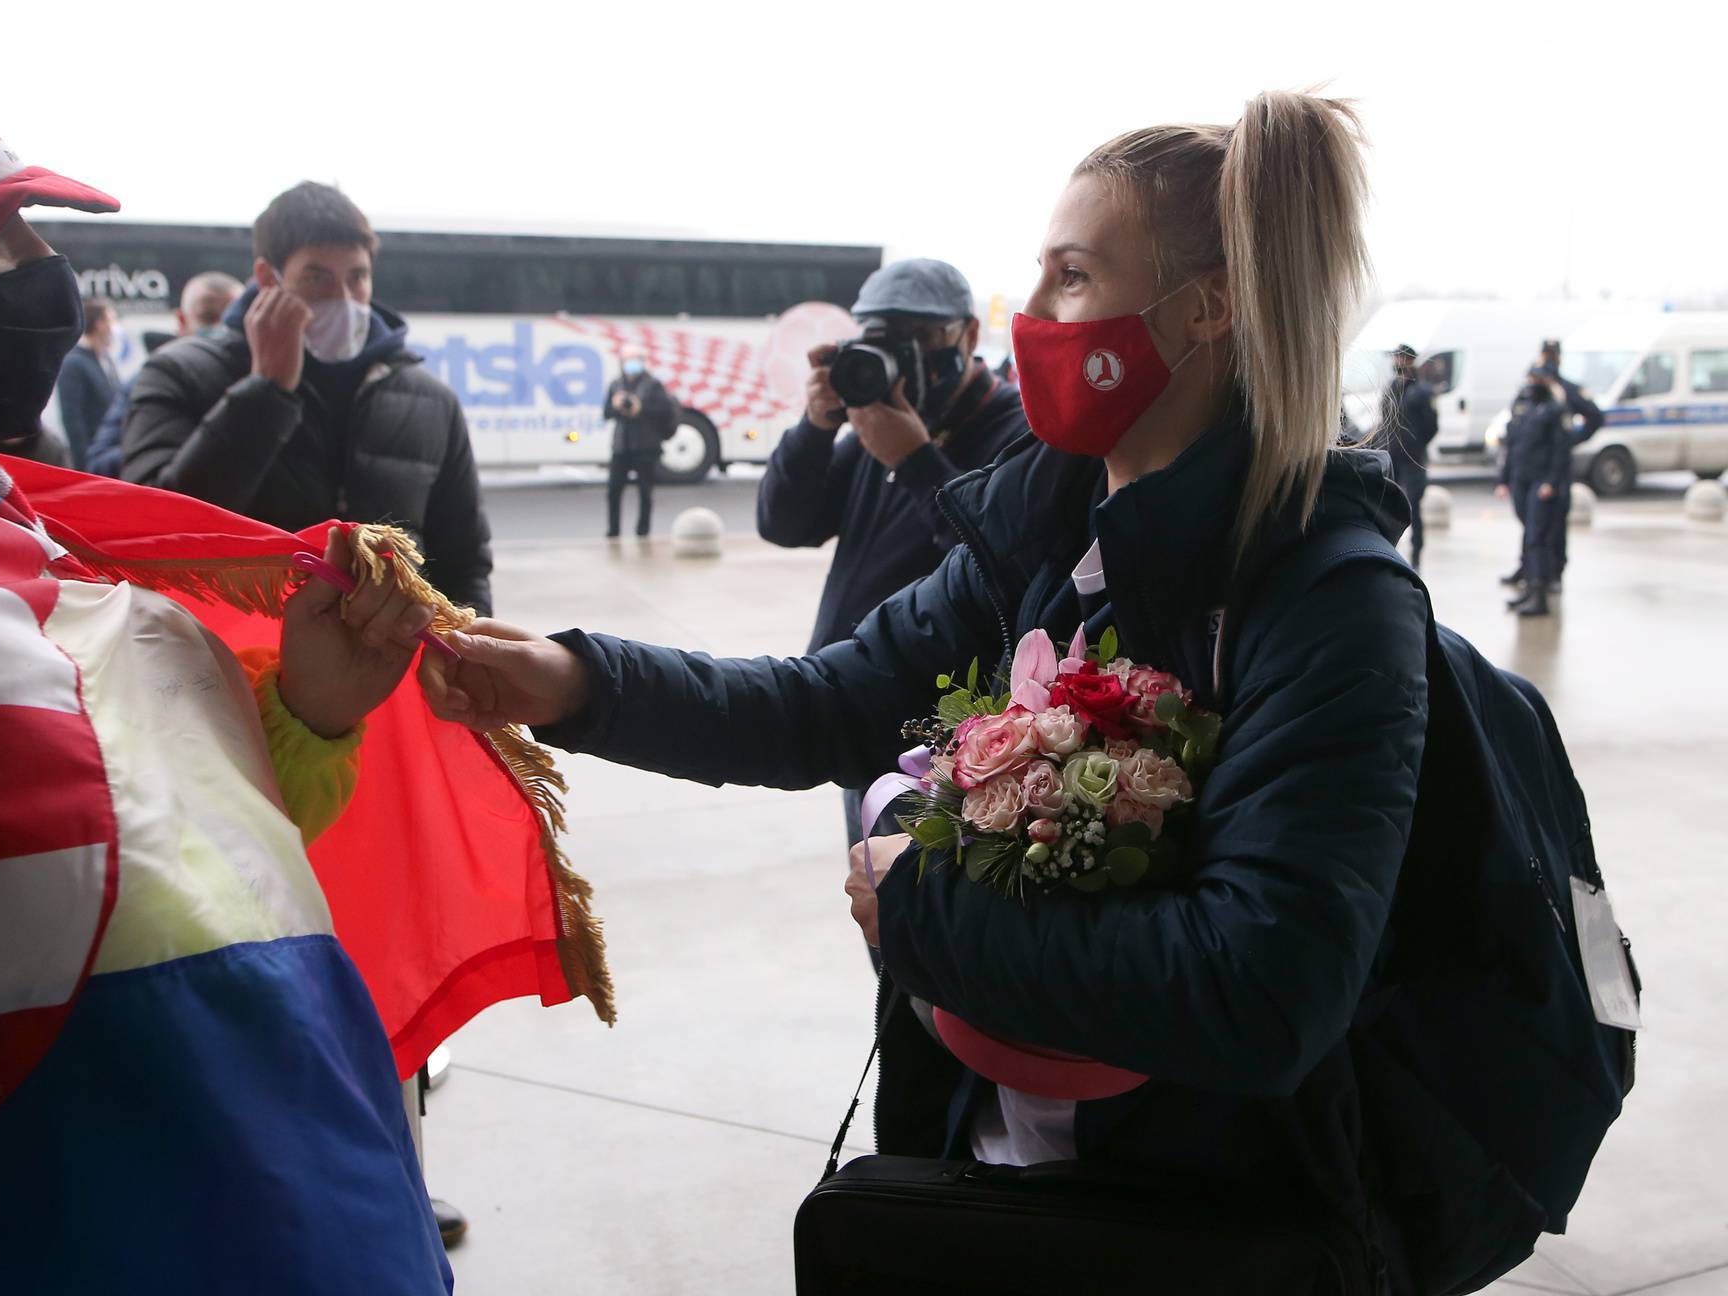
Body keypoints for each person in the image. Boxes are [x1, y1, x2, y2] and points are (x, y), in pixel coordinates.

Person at [420, 92, 1460, 1287]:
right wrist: (569, 681)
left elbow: (1262, 990)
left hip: (1194, 1219)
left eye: (1073, 275)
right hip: (978, 1174)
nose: (1034, 314)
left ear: (1207, 308)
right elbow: (830, 702)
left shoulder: (1330, 599)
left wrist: (921, 907)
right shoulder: (1045, 533)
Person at [0, 2, 453, 1289]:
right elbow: (152, 549)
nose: (45, 269)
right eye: (1, 240)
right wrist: (263, 396)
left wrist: (326, 710)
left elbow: (170, 813)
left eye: (359, 277)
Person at [757, 260, 1027, 861]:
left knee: (922, 919)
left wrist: (916, 461)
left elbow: (1002, 566)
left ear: (964, 336)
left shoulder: (1014, 432)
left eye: (918, 335)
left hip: (945, 738)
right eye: (882, 338)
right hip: (860, 711)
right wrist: (814, 427)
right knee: (878, 909)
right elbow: (784, 523)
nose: (900, 356)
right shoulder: (876, 425)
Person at [121, 182, 494, 615]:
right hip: (239, 662)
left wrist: (464, 663)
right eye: (317, 277)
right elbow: (154, 534)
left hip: (392, 667)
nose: (343, 298)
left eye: (357, 277)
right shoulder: (180, 373)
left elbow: (465, 564)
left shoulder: (429, 399)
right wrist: (266, 390)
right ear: (268, 279)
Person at [85, 270, 243, 477]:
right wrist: (158, 438)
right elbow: (98, 464)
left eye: (231, 321)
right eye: (208, 317)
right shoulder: (148, 381)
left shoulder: (263, 382)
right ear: (181, 321)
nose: (220, 330)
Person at [1499, 338, 1603, 591]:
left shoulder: (1565, 389)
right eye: (1545, 354)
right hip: (1531, 466)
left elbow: (1595, 417)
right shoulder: (1531, 391)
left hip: (1555, 468)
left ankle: (1553, 572)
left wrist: (1570, 441)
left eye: (1552, 355)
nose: (1548, 359)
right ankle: (1530, 569)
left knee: (1554, 523)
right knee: (1531, 524)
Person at [1498, 365, 1574, 617]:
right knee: (1529, 534)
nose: (1533, 383)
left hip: (1541, 482)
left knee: (1536, 538)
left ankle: (1539, 596)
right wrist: (1504, 479)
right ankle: (1529, 589)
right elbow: (1512, 445)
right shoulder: (1523, 407)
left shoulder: (1555, 410)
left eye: (1538, 379)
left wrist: (1552, 482)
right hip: (1522, 479)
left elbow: (1561, 451)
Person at [600, 350, 678, 538]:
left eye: (634, 360)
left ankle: (643, 530)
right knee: (613, 490)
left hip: (646, 446)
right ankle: (613, 530)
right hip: (622, 446)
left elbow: (664, 410)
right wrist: (617, 405)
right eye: (627, 360)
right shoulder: (616, 385)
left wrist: (640, 407)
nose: (631, 364)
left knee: (645, 491)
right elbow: (607, 413)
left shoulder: (653, 385)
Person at [1378, 343, 1438, 567]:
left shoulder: (1421, 391)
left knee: (1414, 504)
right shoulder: (1392, 386)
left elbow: (1431, 425)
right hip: (1391, 453)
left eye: (1401, 358)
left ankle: (1416, 552)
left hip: (1413, 457)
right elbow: (1384, 417)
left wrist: (1416, 443)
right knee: (1386, 503)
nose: (1397, 362)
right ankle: (1388, 548)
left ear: (1411, 361)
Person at [56, 296, 120, 469]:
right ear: (100, 323)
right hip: (91, 462)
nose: (115, 328)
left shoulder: (106, 360)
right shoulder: (74, 363)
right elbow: (73, 420)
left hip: (109, 457)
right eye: (112, 320)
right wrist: (86, 465)